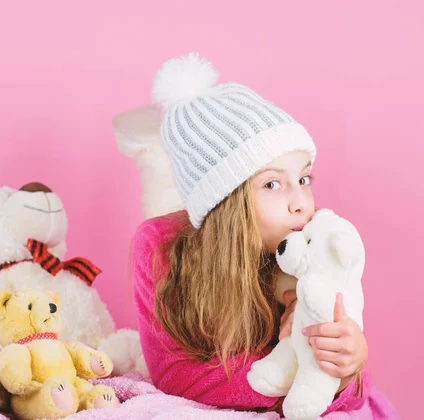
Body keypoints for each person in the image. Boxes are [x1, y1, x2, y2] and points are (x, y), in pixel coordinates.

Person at [131, 52, 394, 417]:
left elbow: (350, 398)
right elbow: (177, 377)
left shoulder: (312, 244)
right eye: (273, 183)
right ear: (225, 202)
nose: (301, 203)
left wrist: (347, 365)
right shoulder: (159, 245)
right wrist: (286, 364)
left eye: (303, 179)